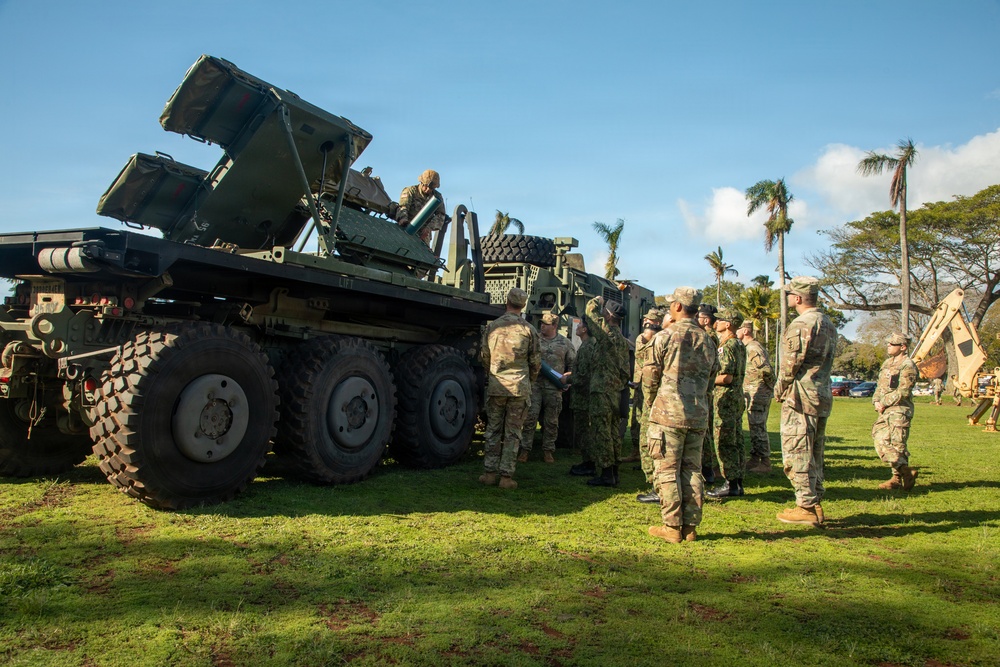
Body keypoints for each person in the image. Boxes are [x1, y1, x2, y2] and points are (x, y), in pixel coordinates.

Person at [644, 287, 718, 543]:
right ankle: (690, 527)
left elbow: (650, 378)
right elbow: (710, 379)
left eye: (670, 304)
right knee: (692, 470)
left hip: (668, 415)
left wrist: (650, 403)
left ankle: (672, 526)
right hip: (697, 414)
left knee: (666, 470)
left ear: (677, 307)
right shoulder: (708, 340)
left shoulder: (665, 337)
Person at [773, 276, 836, 527]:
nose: (788, 298)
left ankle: (806, 506)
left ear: (798, 298)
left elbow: (791, 363)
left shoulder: (802, 324)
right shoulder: (827, 322)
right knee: (814, 452)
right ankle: (815, 502)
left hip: (800, 395)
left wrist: (779, 389)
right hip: (821, 392)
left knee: (797, 450)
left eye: (790, 294)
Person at [480, 288, 540, 490]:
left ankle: (489, 473)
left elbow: (485, 357)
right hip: (518, 388)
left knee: (493, 430)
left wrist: (494, 374)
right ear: (523, 305)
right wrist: (528, 381)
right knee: (513, 433)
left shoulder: (492, 327)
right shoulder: (528, 330)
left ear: (506, 302)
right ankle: (506, 477)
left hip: (497, 387)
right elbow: (535, 362)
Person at [582, 295, 631, 487]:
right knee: (612, 432)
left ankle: (606, 474)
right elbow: (626, 370)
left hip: (602, 390)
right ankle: (614, 471)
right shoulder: (620, 338)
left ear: (609, 316)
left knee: (601, 431)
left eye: (605, 312)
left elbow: (589, 312)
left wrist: (596, 301)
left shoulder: (606, 333)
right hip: (615, 390)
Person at [519, 312, 576, 463]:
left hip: (554, 388)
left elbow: (572, 366)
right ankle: (525, 450)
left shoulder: (565, 344)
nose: (542, 326)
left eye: (546, 324)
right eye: (542, 323)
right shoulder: (534, 340)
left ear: (555, 326)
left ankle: (548, 451)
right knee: (529, 418)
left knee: (551, 421)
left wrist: (566, 379)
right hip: (535, 386)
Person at [706, 307, 748, 499]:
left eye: (721, 319)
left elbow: (726, 377)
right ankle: (737, 482)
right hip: (735, 398)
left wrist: (706, 378)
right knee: (736, 440)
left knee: (725, 441)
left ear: (728, 324)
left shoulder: (728, 346)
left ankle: (730, 483)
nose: (717, 322)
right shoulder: (738, 344)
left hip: (726, 399)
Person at [872, 333, 919, 490]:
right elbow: (880, 385)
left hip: (899, 410)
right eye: (888, 343)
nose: (888, 346)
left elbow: (904, 391)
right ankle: (905, 471)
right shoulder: (887, 363)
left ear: (903, 347)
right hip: (885, 410)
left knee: (898, 444)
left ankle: (897, 479)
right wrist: (876, 401)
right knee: (879, 439)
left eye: (892, 344)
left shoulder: (908, 365)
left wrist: (884, 402)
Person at [634, 309, 665, 503]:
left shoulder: (659, 339)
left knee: (651, 433)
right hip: (641, 385)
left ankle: (655, 480)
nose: (646, 320)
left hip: (654, 391)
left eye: (650, 319)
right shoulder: (642, 337)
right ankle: (641, 459)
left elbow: (649, 362)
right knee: (638, 422)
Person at [738, 321, 775, 473]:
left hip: (758, 393)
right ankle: (755, 459)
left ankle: (764, 462)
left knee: (758, 427)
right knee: (754, 426)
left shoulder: (753, 348)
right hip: (752, 392)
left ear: (746, 330)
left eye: (739, 328)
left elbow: (766, 370)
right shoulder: (747, 348)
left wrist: (770, 388)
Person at [568, 320, 596, 476]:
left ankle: (589, 463)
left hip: (583, 397)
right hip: (585, 396)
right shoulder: (589, 344)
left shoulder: (586, 347)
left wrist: (568, 379)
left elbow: (584, 377)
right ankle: (589, 461)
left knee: (584, 431)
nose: (576, 328)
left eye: (579, 326)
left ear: (584, 329)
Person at [697, 304, 721, 483]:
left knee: (704, 434)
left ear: (705, 320)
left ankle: (707, 471)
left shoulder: (708, 337)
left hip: (703, 391)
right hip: (706, 390)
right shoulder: (709, 336)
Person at [397, 169, 446, 245]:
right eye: (426, 186)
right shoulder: (410, 191)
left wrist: (429, 228)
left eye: (431, 188)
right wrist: (403, 219)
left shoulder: (437, 197)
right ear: (421, 183)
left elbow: (441, 215)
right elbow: (403, 207)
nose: (428, 190)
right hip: (406, 227)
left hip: (424, 233)